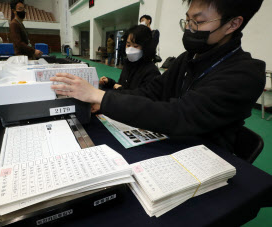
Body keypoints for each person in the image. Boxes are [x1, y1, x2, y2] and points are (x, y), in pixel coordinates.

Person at [51, 0, 265, 153]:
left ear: (233, 24)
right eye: (188, 20)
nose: (190, 29)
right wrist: (104, 100)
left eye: (198, 22)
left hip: (208, 156)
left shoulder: (245, 74)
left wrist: (102, 97)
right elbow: (151, 92)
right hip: (174, 142)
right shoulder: (188, 58)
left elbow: (180, 115)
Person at [100, 25, 160, 91]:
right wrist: (109, 82)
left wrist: (120, 89)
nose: (130, 49)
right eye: (128, 45)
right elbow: (121, 85)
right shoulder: (128, 64)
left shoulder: (151, 72)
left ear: (145, 47)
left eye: (135, 46)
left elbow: (142, 98)